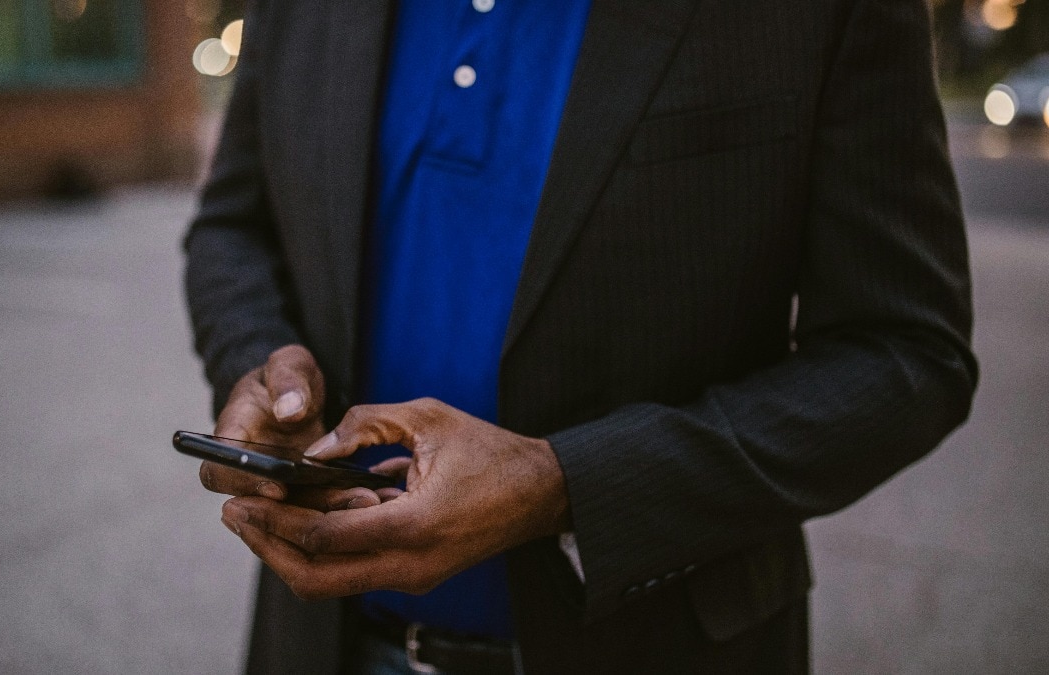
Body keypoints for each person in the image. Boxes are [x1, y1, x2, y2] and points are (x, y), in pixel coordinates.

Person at [184, 0, 977, 672]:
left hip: (660, 648)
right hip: (326, 644)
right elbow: (234, 227)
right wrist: (262, 371)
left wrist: (568, 484)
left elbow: (907, 350)